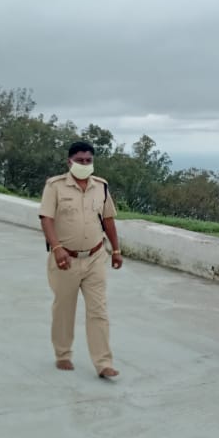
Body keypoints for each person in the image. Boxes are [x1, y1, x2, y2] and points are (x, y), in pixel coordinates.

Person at [39, 141, 123, 379]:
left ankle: (103, 363)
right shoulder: (55, 186)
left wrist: (116, 250)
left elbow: (108, 220)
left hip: (96, 256)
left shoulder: (101, 187)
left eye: (88, 160)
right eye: (79, 160)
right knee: (64, 309)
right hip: (66, 259)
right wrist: (56, 248)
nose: (84, 164)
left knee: (99, 310)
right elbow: (46, 218)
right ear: (70, 162)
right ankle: (63, 354)